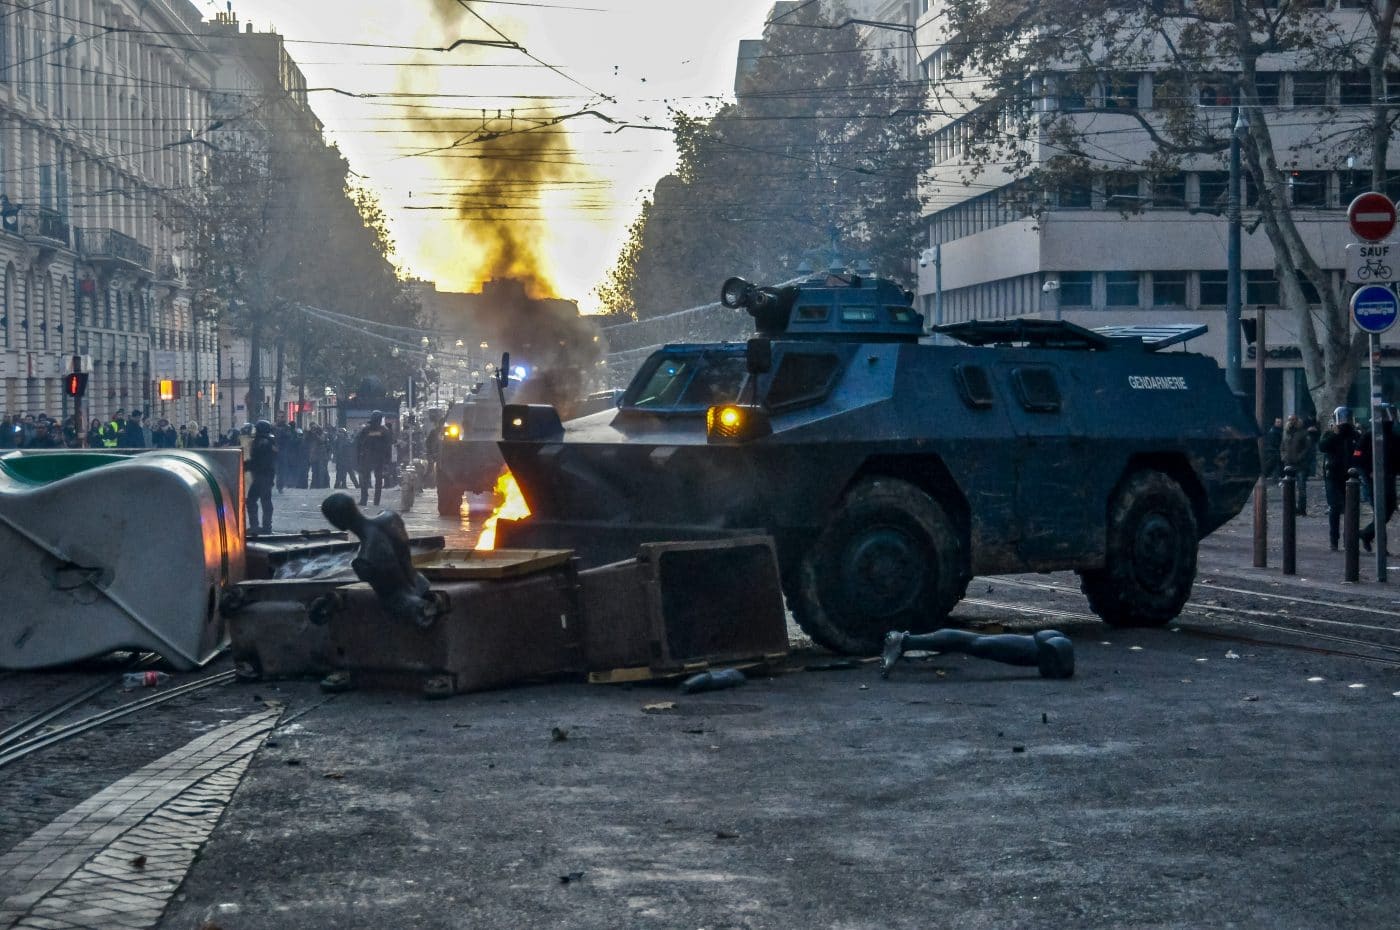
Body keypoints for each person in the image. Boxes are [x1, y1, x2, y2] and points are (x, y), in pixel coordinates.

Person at [1318, 406, 1362, 551]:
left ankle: (1349, 538)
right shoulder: (1330, 434)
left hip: (1350, 476)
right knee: (1335, 508)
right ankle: (1334, 539)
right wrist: (1334, 433)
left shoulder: (1354, 435)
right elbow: (1322, 446)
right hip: (1333, 475)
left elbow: (1361, 450)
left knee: (1351, 508)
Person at [1358, 405, 1398, 553]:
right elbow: (1357, 456)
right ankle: (1381, 548)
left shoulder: (1394, 436)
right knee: (1380, 511)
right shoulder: (1369, 436)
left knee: (1389, 508)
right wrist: (1368, 471)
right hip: (1372, 479)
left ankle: (1367, 534)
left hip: (1389, 477)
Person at [244, 419, 278, 536]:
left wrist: (246, 465)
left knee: (256, 500)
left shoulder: (262, 442)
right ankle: (264, 526)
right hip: (265, 476)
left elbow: (258, 461)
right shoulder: (269, 441)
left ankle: (259, 526)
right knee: (262, 501)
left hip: (262, 476)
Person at [355, 411, 392, 507]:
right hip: (378, 458)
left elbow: (358, 443)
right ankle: (376, 501)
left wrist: (358, 457)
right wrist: (387, 461)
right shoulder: (384, 430)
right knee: (376, 480)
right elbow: (388, 447)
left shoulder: (367, 429)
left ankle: (364, 500)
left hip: (369, 457)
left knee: (366, 479)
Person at [1279, 414, 1313, 516]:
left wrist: (1299, 457)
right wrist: (1283, 456)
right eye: (1290, 420)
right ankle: (1291, 508)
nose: (1291, 421)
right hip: (1288, 464)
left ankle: (1301, 509)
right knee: (1289, 488)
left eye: (1293, 420)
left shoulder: (1303, 433)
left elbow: (1307, 448)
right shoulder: (1286, 433)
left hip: (1300, 465)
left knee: (1301, 488)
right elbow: (1282, 446)